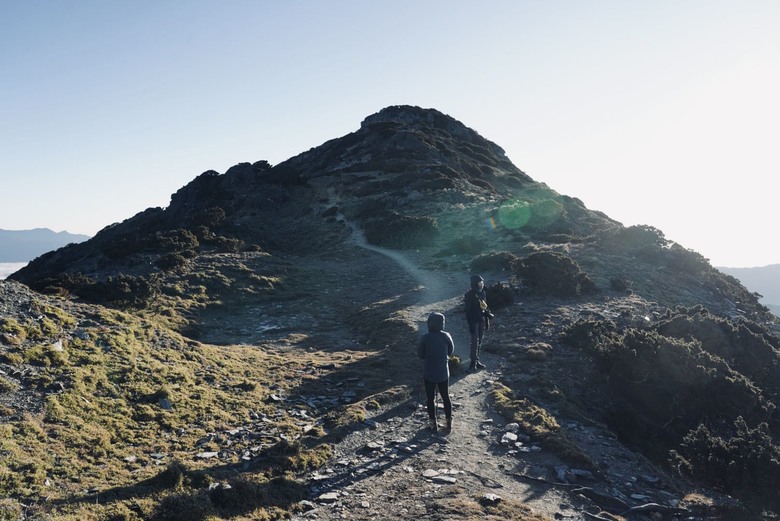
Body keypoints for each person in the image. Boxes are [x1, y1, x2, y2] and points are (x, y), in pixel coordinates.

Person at [417, 312, 454, 433]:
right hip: (443, 372)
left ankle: (433, 424)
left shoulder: (425, 338)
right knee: (446, 397)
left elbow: (420, 355)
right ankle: (449, 422)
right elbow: (450, 351)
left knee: (430, 398)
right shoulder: (446, 335)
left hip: (429, 372)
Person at [464, 274, 491, 371]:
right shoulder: (469, 295)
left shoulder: (482, 293)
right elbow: (468, 311)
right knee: (474, 342)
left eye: (482, 283)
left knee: (479, 341)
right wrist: (470, 324)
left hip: (481, 320)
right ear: (475, 283)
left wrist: (487, 320)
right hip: (474, 321)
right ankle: (472, 363)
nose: (481, 285)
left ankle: (477, 361)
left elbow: (485, 307)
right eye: (480, 283)